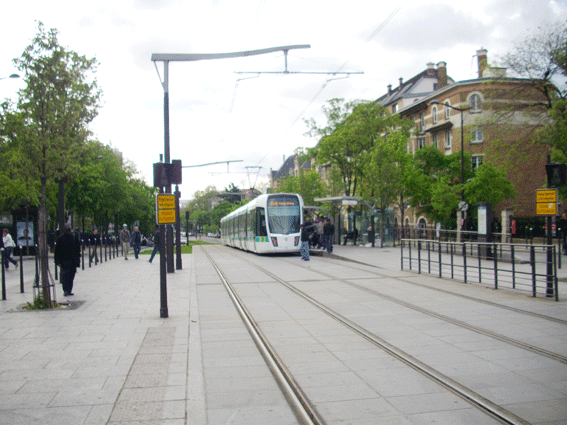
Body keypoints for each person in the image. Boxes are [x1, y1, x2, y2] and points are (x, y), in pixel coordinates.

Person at [54, 224, 80, 296]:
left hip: (72, 261)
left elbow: (77, 248)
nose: (68, 230)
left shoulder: (73, 237)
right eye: (67, 229)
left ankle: (69, 290)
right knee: (65, 276)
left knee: (71, 276)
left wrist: (77, 259)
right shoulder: (61, 238)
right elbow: (57, 251)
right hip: (64, 261)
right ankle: (65, 290)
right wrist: (58, 261)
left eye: (69, 229)